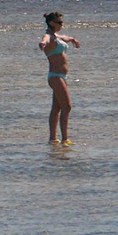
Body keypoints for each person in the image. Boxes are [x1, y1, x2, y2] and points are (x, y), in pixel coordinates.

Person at [39, 11, 80, 144]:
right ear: (52, 23)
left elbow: (64, 37)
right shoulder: (49, 37)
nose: (62, 24)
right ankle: (65, 139)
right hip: (55, 77)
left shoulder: (57, 36)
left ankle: (53, 139)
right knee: (67, 106)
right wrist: (42, 44)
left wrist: (72, 39)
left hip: (62, 76)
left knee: (56, 108)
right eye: (60, 22)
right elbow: (45, 39)